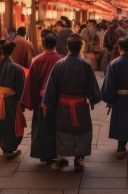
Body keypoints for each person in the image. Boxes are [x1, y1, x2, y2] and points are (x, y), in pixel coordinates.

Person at [42, 34, 101, 172]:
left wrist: (47, 102)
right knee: (82, 131)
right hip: (80, 104)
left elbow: (51, 86)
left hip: (63, 105)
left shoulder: (59, 65)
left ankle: (62, 156)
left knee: (63, 130)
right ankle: (79, 158)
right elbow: (92, 85)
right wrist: (93, 98)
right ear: (80, 48)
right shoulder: (86, 64)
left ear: (67, 47)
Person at [20, 34, 64, 168]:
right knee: (56, 126)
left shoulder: (37, 60)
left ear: (43, 45)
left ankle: (44, 154)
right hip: (58, 99)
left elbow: (31, 83)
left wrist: (29, 101)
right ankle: (56, 152)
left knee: (41, 127)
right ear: (55, 44)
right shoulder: (61, 60)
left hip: (41, 99)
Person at [0, 42, 26, 159]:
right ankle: (8, 148)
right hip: (11, 99)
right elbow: (21, 87)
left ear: (1, 51)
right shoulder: (17, 68)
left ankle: (4, 146)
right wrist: (21, 102)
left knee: (1, 123)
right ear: (12, 52)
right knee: (11, 123)